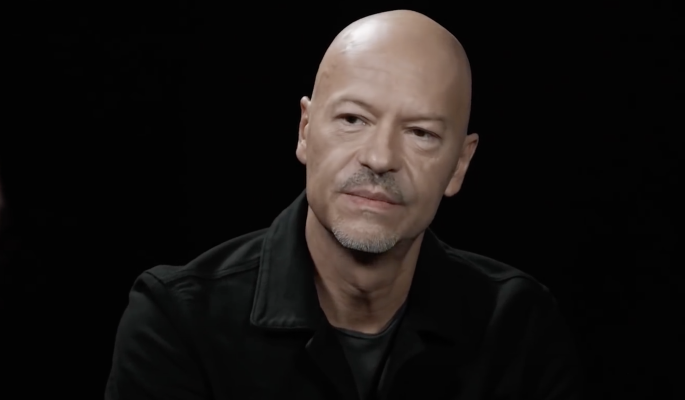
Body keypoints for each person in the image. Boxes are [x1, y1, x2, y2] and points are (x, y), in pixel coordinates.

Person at [105, 10, 584, 400]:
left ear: (459, 164)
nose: (380, 157)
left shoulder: (519, 327)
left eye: (421, 133)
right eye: (353, 119)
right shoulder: (178, 323)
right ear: (305, 131)